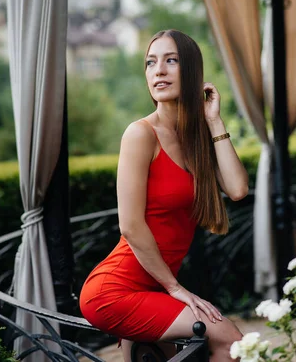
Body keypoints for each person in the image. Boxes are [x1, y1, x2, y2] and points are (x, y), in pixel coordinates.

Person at [80, 29, 249, 362]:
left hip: (150, 288)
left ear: (191, 72)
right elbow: (130, 225)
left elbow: (237, 188)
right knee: (231, 341)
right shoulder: (140, 134)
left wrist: (214, 121)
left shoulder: (196, 140)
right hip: (115, 290)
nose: (159, 70)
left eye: (171, 60)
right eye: (151, 62)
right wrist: (175, 289)